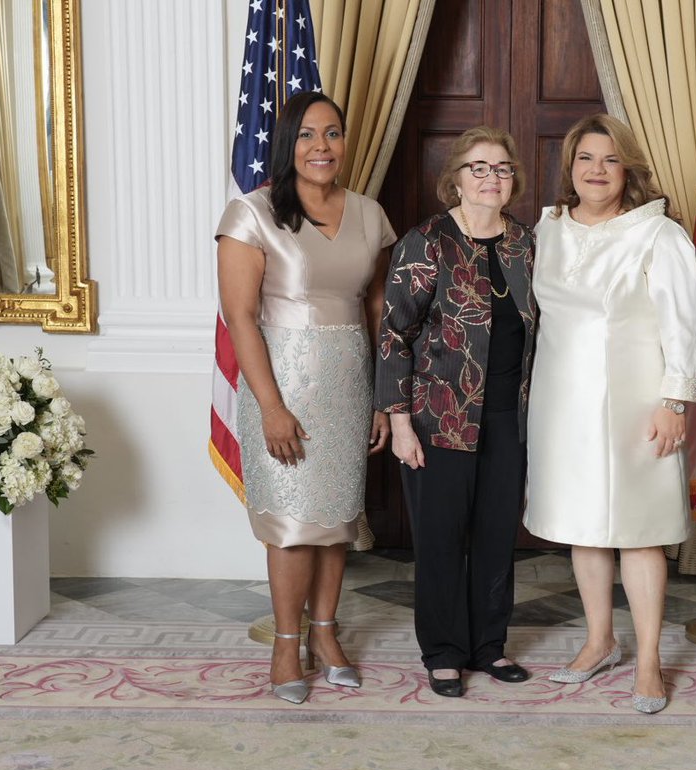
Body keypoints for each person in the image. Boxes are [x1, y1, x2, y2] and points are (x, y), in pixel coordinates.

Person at [216, 91, 395, 705]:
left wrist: (380, 396)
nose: (323, 147)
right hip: (282, 383)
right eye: (308, 135)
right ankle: (286, 643)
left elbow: (376, 306)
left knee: (337, 521)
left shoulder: (371, 214)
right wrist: (270, 405)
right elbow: (240, 317)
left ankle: (326, 634)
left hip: (349, 381)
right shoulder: (252, 213)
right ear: (287, 143)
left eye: (334, 133)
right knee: (291, 526)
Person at [525, 114, 696, 715]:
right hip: (560, 402)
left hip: (636, 401)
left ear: (627, 168)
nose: (596, 171)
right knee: (583, 523)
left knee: (639, 527)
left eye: (608, 160)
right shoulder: (547, 228)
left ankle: (649, 659)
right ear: (570, 168)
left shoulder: (658, 235)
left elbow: (683, 325)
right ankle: (600, 639)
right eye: (584, 159)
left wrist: (674, 401)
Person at [374, 127, 536, 699]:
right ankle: (442, 651)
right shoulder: (426, 242)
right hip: (437, 418)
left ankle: (488, 645)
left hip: (509, 419)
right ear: (456, 179)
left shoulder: (526, 244)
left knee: (496, 536)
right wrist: (397, 422)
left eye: (501, 168)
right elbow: (395, 336)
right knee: (442, 539)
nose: (492, 178)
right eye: (479, 168)